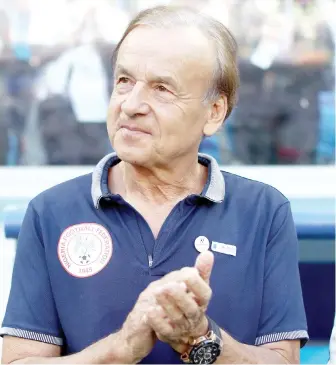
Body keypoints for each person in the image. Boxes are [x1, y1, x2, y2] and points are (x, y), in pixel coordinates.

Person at [1, 5, 308, 364]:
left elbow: (282, 361)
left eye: (162, 89)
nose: (131, 105)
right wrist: (120, 350)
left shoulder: (264, 212)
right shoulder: (50, 212)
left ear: (214, 113)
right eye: (124, 81)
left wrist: (202, 339)